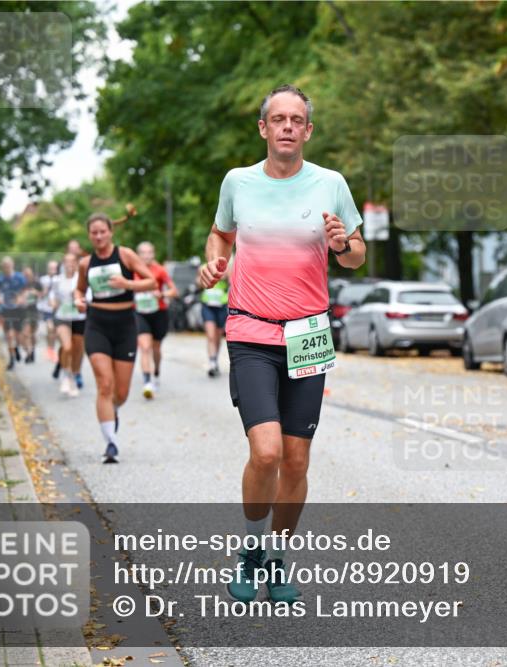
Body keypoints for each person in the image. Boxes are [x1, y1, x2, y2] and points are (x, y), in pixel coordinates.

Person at [200, 84, 365, 603]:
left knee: (296, 461)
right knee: (266, 451)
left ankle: (277, 558)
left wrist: (343, 244)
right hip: (250, 329)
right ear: (264, 128)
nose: (288, 126)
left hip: (309, 334)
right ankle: (250, 551)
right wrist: (212, 261)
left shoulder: (331, 184)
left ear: (308, 131)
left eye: (297, 119)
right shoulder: (238, 182)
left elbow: (356, 255)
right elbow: (219, 234)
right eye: (279, 118)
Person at [74, 213, 156, 463]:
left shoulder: (125, 255)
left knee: (120, 392)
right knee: (104, 384)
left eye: (102, 231)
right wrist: (78, 299)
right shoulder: (85, 263)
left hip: (125, 327)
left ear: (110, 232)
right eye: (93, 232)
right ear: (89, 235)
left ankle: (114, 410)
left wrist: (126, 284)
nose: (98, 236)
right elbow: (79, 289)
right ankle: (110, 442)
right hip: (97, 325)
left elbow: (151, 282)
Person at [134, 241, 178, 398]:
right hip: (139, 313)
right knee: (144, 347)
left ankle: (156, 372)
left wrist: (163, 294)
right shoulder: (132, 270)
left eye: (149, 252)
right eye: (143, 253)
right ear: (138, 255)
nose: (146, 255)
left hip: (158, 312)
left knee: (156, 348)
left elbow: (174, 291)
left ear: (153, 254)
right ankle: (147, 382)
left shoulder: (159, 270)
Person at [51, 252, 86, 397]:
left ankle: (75, 373)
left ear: (77, 263)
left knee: (78, 350)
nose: (69, 264)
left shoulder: (82, 279)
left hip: (79, 317)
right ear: (63, 264)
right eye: (67, 261)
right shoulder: (57, 280)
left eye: (72, 261)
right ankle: (66, 376)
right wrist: (53, 303)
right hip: (62, 317)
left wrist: (79, 298)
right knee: (67, 347)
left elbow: (88, 296)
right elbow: (53, 297)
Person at [0, 257, 28, 370]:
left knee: (18, 335)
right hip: (6, 309)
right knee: (8, 335)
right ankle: (11, 359)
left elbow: (25, 291)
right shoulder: (0, 279)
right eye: (5, 266)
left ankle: (16, 348)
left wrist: (21, 298)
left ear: (12, 265)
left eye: (8, 265)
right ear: (2, 267)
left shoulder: (20, 277)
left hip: (18, 309)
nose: (7, 268)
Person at [200, 270, 229, 377]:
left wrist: (224, 275)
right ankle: (212, 362)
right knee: (210, 335)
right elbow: (199, 282)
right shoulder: (204, 267)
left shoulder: (226, 268)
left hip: (221, 305)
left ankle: (215, 358)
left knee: (217, 336)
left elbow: (231, 280)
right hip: (208, 305)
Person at [38, 260, 60, 364]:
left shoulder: (60, 279)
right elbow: (38, 294)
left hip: (57, 308)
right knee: (50, 328)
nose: (53, 270)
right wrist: (43, 291)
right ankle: (50, 349)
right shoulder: (43, 280)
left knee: (55, 332)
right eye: (51, 268)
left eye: (54, 268)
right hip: (46, 308)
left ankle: (52, 348)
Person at [20, 266, 40, 363]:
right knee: (25, 334)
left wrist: (35, 292)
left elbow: (43, 294)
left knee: (32, 334)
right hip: (23, 312)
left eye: (28, 274)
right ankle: (29, 353)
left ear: (31, 274)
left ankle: (32, 351)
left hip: (34, 311)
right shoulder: (20, 284)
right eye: (25, 274)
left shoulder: (36, 283)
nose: (27, 276)